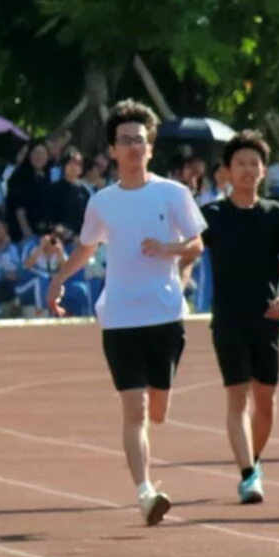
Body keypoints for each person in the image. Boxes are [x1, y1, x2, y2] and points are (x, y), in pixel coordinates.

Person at [44, 101, 206, 524]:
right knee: (133, 411)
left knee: (158, 411)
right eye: (125, 141)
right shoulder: (102, 202)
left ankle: (147, 479)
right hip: (119, 317)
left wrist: (165, 248)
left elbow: (196, 245)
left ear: (150, 147)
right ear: (112, 150)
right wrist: (60, 277)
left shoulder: (173, 194)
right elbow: (87, 246)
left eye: (140, 140)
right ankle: (145, 492)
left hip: (165, 314)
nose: (133, 147)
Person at [200, 132, 279, 505]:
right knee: (237, 398)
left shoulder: (277, 216)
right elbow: (187, 251)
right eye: (239, 163)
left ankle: (252, 460)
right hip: (227, 319)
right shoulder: (210, 216)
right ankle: (247, 474)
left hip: (267, 317)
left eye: (253, 164)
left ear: (263, 171)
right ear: (227, 171)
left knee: (266, 401)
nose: (247, 170)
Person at [6, 140, 53, 243]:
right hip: (24, 232)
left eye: (42, 154)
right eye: (36, 153)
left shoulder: (47, 176)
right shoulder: (20, 175)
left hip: (43, 231)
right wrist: (26, 231)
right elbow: (18, 206)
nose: (39, 157)